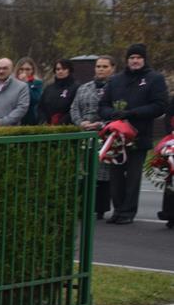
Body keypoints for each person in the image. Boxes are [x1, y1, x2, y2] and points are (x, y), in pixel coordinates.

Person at [100, 43, 169, 224]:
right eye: (132, 58)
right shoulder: (116, 80)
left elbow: (160, 105)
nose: (135, 61)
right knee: (115, 174)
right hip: (116, 136)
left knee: (132, 176)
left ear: (144, 59)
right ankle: (117, 210)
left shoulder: (154, 79)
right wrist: (112, 114)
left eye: (138, 57)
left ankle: (128, 212)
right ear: (127, 60)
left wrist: (132, 113)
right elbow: (103, 105)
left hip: (139, 134)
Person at [72, 56, 115, 218]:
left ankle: (100, 208)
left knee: (102, 173)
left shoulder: (115, 87)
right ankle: (82, 206)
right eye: (98, 66)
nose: (101, 69)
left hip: (105, 134)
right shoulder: (84, 88)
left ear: (112, 68)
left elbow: (116, 109)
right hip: (84, 132)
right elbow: (74, 107)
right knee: (83, 171)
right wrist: (80, 122)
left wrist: (101, 125)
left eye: (105, 66)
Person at [38, 60, 76, 125]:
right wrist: (44, 121)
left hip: (68, 126)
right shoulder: (48, 88)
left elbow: (75, 108)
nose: (60, 71)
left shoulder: (76, 87)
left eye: (64, 69)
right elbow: (41, 107)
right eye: (58, 69)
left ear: (69, 70)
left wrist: (61, 122)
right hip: (48, 126)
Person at [15, 57, 43, 124]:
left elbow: (35, 99)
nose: (24, 72)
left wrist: (26, 84)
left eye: (27, 69)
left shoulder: (37, 83)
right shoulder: (13, 83)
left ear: (32, 70)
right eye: (21, 69)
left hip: (30, 117)